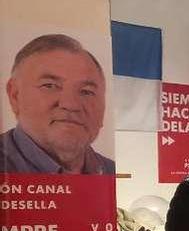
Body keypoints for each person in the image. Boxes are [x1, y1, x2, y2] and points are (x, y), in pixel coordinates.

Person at [1, 34, 114, 175]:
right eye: (49, 86)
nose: (71, 104)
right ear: (14, 95)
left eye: (86, 92)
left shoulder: (112, 172)